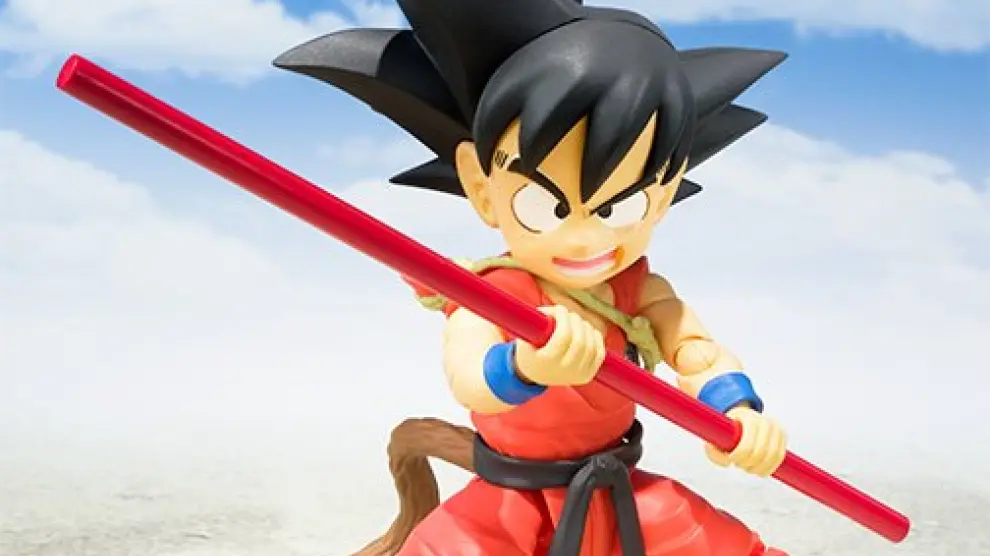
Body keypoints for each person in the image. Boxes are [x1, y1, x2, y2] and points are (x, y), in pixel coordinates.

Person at [276, 1, 790, 554]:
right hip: (509, 506)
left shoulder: (639, 291)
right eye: (547, 207)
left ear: (662, 196)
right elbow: (469, 376)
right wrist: (526, 366)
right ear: (481, 187)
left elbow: (697, 352)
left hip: (622, 494)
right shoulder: (486, 296)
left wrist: (735, 411)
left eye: (618, 207)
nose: (584, 239)